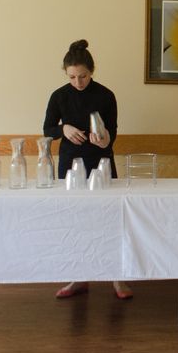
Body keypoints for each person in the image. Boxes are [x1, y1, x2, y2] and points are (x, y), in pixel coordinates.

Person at [43, 39, 132, 300]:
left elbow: (112, 132)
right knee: (75, 221)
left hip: (101, 161)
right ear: (65, 73)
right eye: (72, 77)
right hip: (70, 164)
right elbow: (47, 129)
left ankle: (117, 278)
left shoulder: (106, 95)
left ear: (91, 71)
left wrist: (105, 139)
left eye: (82, 76)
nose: (78, 82)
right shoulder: (59, 96)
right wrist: (64, 129)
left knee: (111, 219)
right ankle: (78, 277)